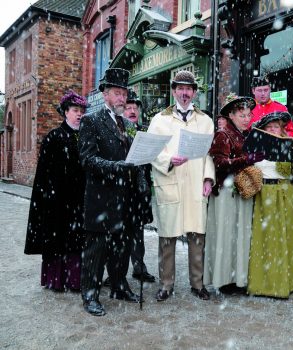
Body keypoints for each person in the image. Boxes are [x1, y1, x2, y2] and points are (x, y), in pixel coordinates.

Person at [78, 68, 143, 316]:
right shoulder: (91, 121)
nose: (121, 98)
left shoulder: (127, 124)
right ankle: (90, 294)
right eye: (117, 93)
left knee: (121, 247)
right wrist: (115, 167)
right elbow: (87, 159)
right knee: (97, 250)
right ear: (105, 94)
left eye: (124, 93)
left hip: (125, 198)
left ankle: (119, 285)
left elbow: (132, 156)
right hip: (101, 198)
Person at [147, 70, 215, 301]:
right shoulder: (159, 120)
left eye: (189, 89)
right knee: (168, 238)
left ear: (194, 92)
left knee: (198, 236)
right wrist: (168, 160)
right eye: (180, 89)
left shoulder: (205, 121)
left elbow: (208, 154)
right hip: (171, 181)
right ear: (174, 91)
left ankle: (197, 283)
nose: (184, 93)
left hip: (195, 183)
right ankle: (166, 284)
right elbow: (152, 151)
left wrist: (208, 178)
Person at [24, 90, 88, 292]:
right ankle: (56, 281)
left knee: (77, 240)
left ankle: (75, 280)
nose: (79, 114)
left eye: (82, 111)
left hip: (79, 199)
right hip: (56, 201)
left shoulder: (85, 137)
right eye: (75, 110)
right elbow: (44, 173)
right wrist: (48, 198)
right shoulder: (54, 137)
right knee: (57, 240)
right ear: (65, 112)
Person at [204, 93, 264, 294]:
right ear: (231, 115)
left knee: (241, 236)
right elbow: (219, 163)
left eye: (249, 115)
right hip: (226, 192)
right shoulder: (223, 134)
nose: (247, 119)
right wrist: (246, 160)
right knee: (226, 236)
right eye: (242, 115)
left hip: (243, 191)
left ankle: (239, 279)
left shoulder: (247, 135)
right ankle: (224, 280)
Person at [247, 111, 293, 298]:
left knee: (287, 238)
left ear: (282, 129)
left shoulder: (291, 144)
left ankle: (288, 282)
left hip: (284, 193)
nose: (273, 129)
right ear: (264, 129)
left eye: (276, 126)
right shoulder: (256, 145)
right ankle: (263, 283)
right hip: (263, 193)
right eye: (269, 126)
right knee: (264, 239)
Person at [123, 90, 156, 283]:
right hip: (122, 188)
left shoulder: (145, 131)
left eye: (135, 107)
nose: (133, 110)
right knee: (119, 232)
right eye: (128, 107)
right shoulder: (117, 129)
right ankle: (115, 271)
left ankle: (139, 266)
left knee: (138, 230)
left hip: (141, 189)